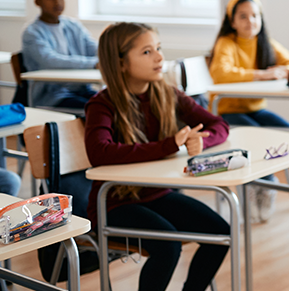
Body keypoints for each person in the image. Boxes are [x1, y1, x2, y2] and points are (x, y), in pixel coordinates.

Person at [84, 22, 230, 291]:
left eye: (159, 48)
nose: (160, 57)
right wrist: (168, 145)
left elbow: (219, 125)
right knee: (168, 245)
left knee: (220, 232)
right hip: (114, 203)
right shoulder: (102, 104)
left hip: (156, 194)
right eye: (147, 52)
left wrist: (200, 141)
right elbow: (98, 152)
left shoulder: (167, 93)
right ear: (121, 63)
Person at [209, 0, 289, 221]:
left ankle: (265, 181)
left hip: (255, 109)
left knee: (288, 132)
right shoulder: (226, 43)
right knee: (258, 137)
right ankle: (261, 182)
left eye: (254, 15)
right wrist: (263, 74)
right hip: (226, 111)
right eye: (243, 16)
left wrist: (283, 69)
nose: (250, 21)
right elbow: (221, 73)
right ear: (232, 21)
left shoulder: (265, 42)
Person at [21, 0, 99, 109]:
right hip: (52, 96)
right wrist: (94, 63)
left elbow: (94, 48)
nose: (58, 2)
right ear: (37, 1)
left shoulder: (73, 25)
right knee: (96, 110)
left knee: (113, 104)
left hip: (81, 89)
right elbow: (51, 61)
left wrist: (113, 56)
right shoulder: (32, 33)